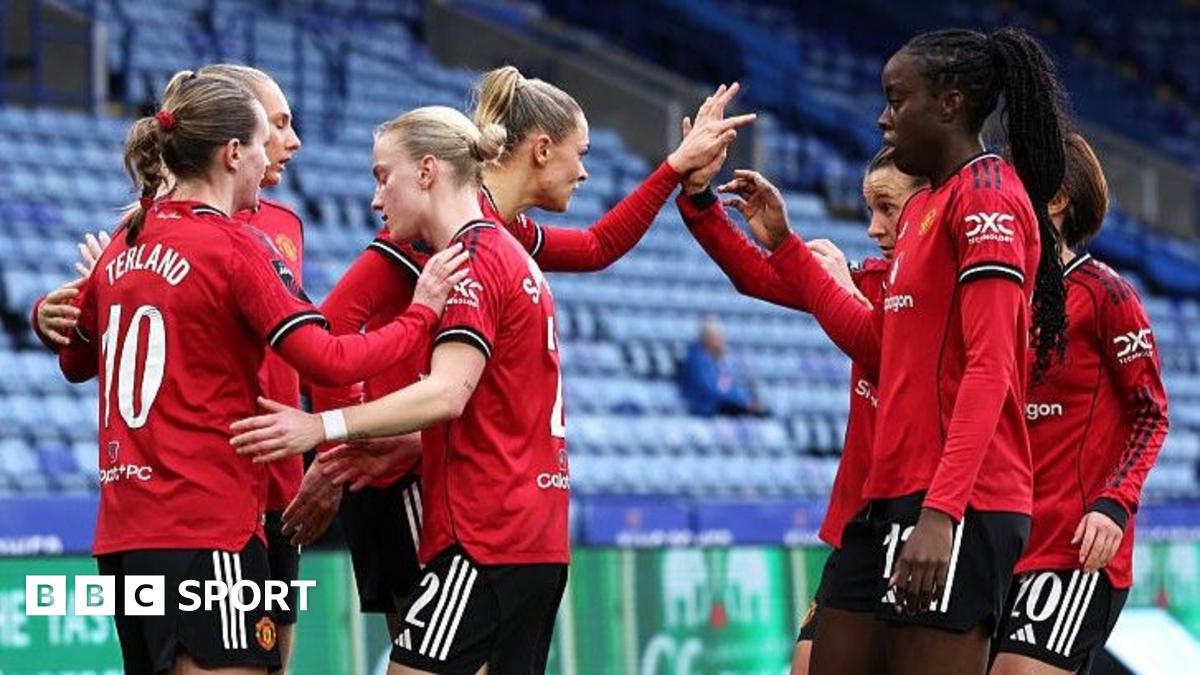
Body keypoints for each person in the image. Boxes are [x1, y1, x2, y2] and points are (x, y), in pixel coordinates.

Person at [296, 67, 753, 640]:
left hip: (442, 464)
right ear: (541, 149)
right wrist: (346, 450)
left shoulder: (494, 232)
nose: (585, 170)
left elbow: (596, 246)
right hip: (411, 480)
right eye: (578, 153)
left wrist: (673, 169)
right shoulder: (433, 228)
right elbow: (335, 322)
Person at [50, 71, 466, 675]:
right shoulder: (235, 245)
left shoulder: (125, 241)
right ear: (233, 153)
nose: (275, 153)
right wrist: (422, 311)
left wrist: (52, 315)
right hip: (206, 528)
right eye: (265, 140)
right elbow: (328, 357)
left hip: (124, 532)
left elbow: (73, 359)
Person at [703, 27, 1072, 675]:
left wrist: (942, 512)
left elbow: (991, 367)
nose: (882, 117)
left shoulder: (987, 196)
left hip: (958, 503)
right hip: (887, 498)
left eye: (898, 100)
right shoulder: (927, 207)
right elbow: (877, 341)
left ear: (951, 105)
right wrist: (708, 204)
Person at [229, 106, 568, 675]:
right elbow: (500, 408)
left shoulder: (473, 261)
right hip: (532, 535)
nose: (375, 199)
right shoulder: (510, 258)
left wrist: (323, 428)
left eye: (384, 176)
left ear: (429, 171)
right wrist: (413, 442)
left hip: (484, 539)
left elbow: (446, 394)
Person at [675, 144, 926, 674]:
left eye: (889, 209)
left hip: (929, 527)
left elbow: (892, 353)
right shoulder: (871, 279)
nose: (874, 229)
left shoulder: (955, 296)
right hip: (862, 523)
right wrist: (699, 198)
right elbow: (756, 275)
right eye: (870, 210)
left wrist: (843, 294)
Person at [991, 135, 1168, 675]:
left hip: (1073, 551)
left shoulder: (1106, 295)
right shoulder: (995, 293)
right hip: (998, 546)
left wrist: (1114, 503)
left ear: (1056, 199)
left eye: (1011, 181)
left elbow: (1150, 412)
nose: (995, 197)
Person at [678, 315, 762, 416]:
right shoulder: (696, 361)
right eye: (719, 337)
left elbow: (730, 385)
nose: (722, 341)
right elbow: (712, 390)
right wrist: (742, 402)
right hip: (707, 407)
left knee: (761, 411)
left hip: (722, 405)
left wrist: (745, 400)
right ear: (708, 338)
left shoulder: (716, 361)